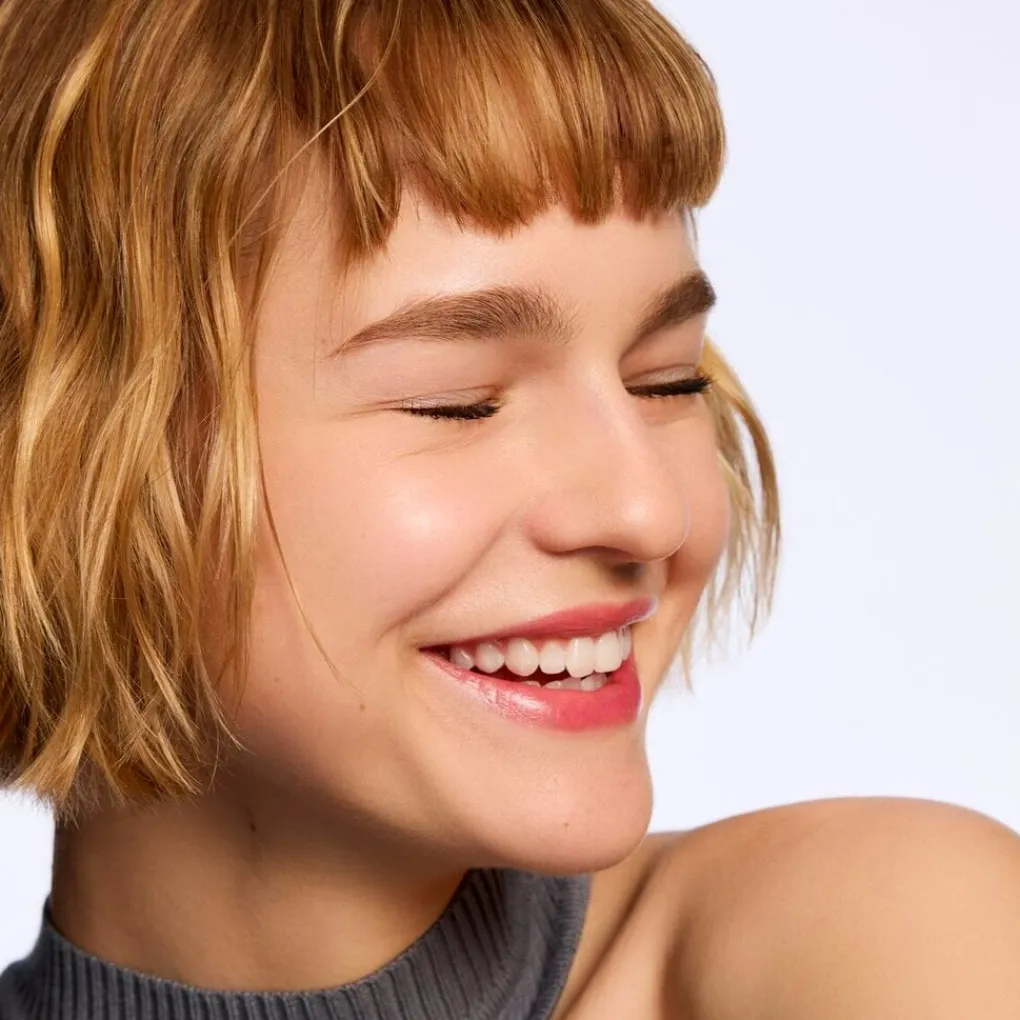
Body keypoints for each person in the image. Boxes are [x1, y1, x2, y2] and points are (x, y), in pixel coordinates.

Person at [1, 1, 1018, 1018]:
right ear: (48, 454)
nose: (648, 510)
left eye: (667, 380)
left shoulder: (896, 940)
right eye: (460, 402)